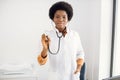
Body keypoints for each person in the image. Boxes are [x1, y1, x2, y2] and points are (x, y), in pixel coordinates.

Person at [37, 1, 85, 80]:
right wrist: (45, 49)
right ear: (53, 18)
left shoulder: (75, 35)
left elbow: (80, 53)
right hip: (55, 77)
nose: (60, 19)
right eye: (57, 16)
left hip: (72, 76)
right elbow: (41, 62)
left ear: (68, 18)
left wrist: (79, 68)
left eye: (64, 17)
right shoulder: (46, 36)